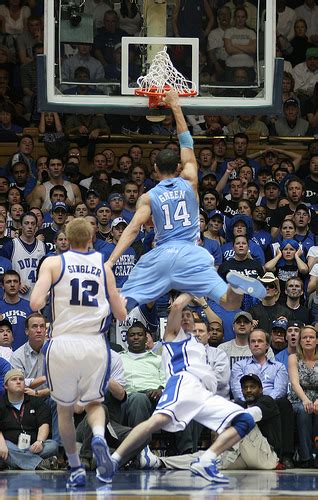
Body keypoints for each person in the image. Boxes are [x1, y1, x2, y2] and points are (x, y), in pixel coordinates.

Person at [106, 90, 266, 312]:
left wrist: (111, 261)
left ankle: (109, 307)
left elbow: (133, 229)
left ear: (155, 169)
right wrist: (176, 106)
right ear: (179, 168)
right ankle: (237, 288)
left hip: (161, 255)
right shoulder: (190, 179)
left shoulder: (148, 197)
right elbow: (186, 143)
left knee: (122, 308)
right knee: (229, 303)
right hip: (192, 254)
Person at [107, 292, 258, 483]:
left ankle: (205, 460)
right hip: (182, 385)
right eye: (183, 316)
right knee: (153, 423)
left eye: (190, 316)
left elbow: (211, 323)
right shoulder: (173, 337)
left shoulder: (199, 345)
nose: (186, 317)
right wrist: (196, 288)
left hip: (202, 394)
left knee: (245, 419)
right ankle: (113, 461)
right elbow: (178, 306)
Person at [30, 218, 127, 488]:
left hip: (62, 343)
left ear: (66, 239)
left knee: (64, 408)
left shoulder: (52, 263)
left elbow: (36, 302)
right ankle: (98, 435)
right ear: (91, 239)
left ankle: (75, 468)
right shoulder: (103, 266)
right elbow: (121, 314)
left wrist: (52, 294)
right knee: (95, 402)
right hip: (95, 343)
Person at [0, 368, 58, 471]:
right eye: (14, 379)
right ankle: (40, 463)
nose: (18, 382)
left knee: (52, 446)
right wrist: (1, 444)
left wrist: (40, 442)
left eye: (21, 379)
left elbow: (44, 424)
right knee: (4, 447)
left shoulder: (36, 401)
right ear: (6, 386)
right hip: (8, 445)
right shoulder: (1, 403)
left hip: (33, 447)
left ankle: (14, 462)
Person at [288, 325, 318, 467]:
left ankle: (316, 455)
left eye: (311, 337)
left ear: (317, 341)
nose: (307, 340)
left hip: (317, 398)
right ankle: (306, 457)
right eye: (304, 337)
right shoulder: (293, 358)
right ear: (300, 341)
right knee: (303, 410)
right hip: (299, 398)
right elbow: (294, 383)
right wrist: (306, 400)